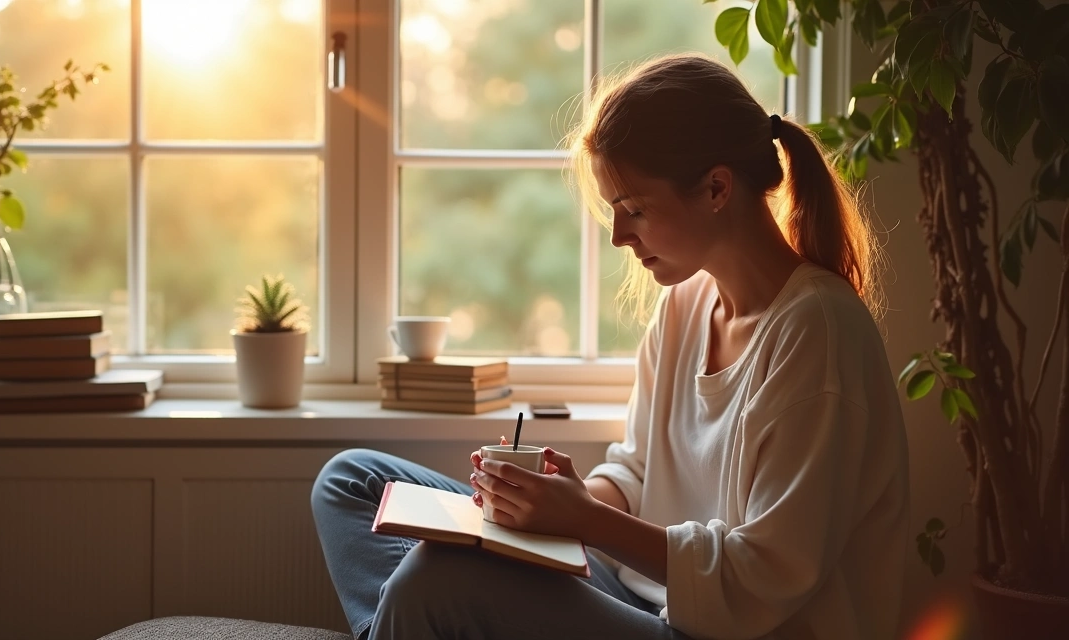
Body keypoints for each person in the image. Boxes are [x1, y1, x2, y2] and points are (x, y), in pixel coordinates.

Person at [311, 53, 909, 640]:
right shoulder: (687, 304)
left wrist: (583, 520)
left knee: (436, 580)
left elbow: (762, 582)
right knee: (352, 480)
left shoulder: (818, 333)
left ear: (717, 188)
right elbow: (637, 470)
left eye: (635, 210)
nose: (620, 235)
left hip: (729, 629)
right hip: (641, 595)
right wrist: (562, 498)